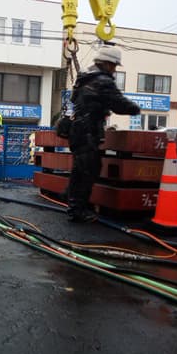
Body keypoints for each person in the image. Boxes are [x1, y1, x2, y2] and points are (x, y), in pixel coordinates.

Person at [66, 46, 141, 222]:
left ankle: (73, 202)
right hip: (88, 131)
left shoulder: (84, 78)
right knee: (89, 170)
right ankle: (78, 210)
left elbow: (74, 100)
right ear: (106, 63)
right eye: (114, 65)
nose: (114, 69)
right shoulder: (103, 81)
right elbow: (119, 104)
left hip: (77, 130)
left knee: (80, 170)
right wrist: (136, 108)